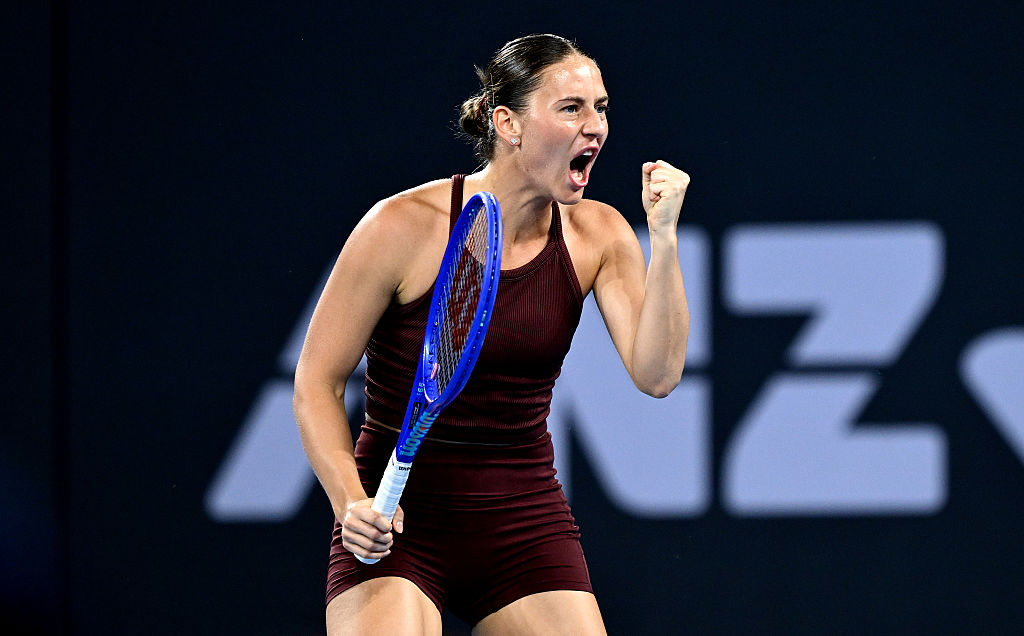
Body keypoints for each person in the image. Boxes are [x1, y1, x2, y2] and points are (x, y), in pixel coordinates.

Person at [293, 33, 690, 635]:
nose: (596, 127)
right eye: (571, 108)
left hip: (524, 518)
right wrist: (349, 501)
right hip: (398, 519)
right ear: (509, 123)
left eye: (601, 108)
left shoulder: (599, 235)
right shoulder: (403, 226)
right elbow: (316, 384)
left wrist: (662, 237)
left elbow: (657, 375)